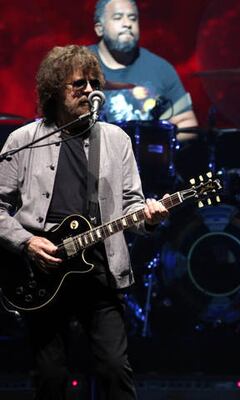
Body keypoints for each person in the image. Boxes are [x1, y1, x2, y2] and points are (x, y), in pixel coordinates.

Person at [0, 45, 169, 399]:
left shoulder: (115, 139)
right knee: (51, 376)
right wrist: (27, 242)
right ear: (54, 90)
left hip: (99, 272)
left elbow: (132, 206)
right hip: (42, 272)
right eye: (78, 84)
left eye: (95, 83)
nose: (89, 91)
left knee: (113, 369)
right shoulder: (24, 140)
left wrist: (149, 219)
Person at [90, 0, 199, 142]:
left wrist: (154, 146)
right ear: (99, 28)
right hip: (94, 160)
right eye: (118, 17)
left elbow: (187, 124)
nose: (127, 24)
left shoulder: (161, 68)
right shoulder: (78, 66)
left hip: (145, 161)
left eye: (133, 18)